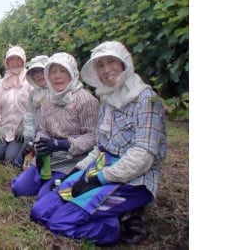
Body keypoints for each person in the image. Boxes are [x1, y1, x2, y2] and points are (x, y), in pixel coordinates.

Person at [30, 41, 167, 246]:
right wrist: (78, 170)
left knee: (60, 223)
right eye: (100, 65)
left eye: (111, 62)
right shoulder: (107, 98)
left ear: (124, 64)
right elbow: (101, 146)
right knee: (39, 212)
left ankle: (111, 228)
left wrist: (99, 178)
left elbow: (142, 157)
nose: (106, 70)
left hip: (132, 180)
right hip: (101, 167)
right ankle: (108, 213)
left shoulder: (146, 100)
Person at [11, 52, 99, 199]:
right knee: (19, 188)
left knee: (44, 196)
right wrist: (40, 146)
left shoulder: (86, 100)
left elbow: (93, 137)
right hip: (49, 157)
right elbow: (43, 129)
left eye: (62, 71)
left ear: (72, 73)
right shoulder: (50, 99)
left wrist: (63, 144)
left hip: (72, 158)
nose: (57, 76)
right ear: (48, 76)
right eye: (53, 72)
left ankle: (60, 184)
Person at [0, 45, 33, 165]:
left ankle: (18, 148)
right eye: (12, 59)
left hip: (20, 132)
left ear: (23, 61)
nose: (15, 62)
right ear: (7, 62)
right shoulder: (0, 84)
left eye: (18, 59)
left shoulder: (30, 82)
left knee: (10, 159)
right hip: (4, 129)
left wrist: (25, 127)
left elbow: (34, 108)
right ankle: (3, 144)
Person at [11, 54, 50, 168]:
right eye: (35, 73)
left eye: (41, 71)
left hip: (50, 138)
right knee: (17, 160)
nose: (39, 76)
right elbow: (28, 116)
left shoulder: (56, 93)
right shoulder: (33, 93)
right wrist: (27, 134)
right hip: (35, 135)